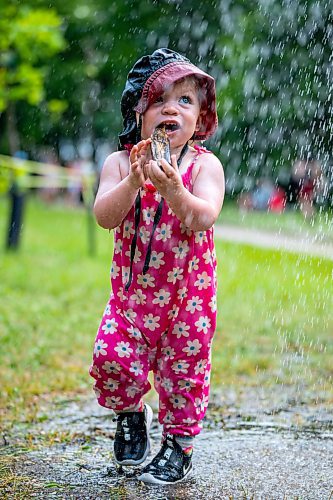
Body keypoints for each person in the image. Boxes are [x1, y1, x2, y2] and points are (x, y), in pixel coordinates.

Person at [90, 48, 225, 485]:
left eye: (185, 100)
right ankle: (131, 416)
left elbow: (203, 216)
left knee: (183, 372)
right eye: (159, 99)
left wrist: (174, 193)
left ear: (200, 117)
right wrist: (134, 180)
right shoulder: (119, 162)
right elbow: (104, 217)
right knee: (113, 356)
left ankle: (179, 446)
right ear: (138, 111)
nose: (172, 107)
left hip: (188, 300)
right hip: (132, 297)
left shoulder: (205, 165)